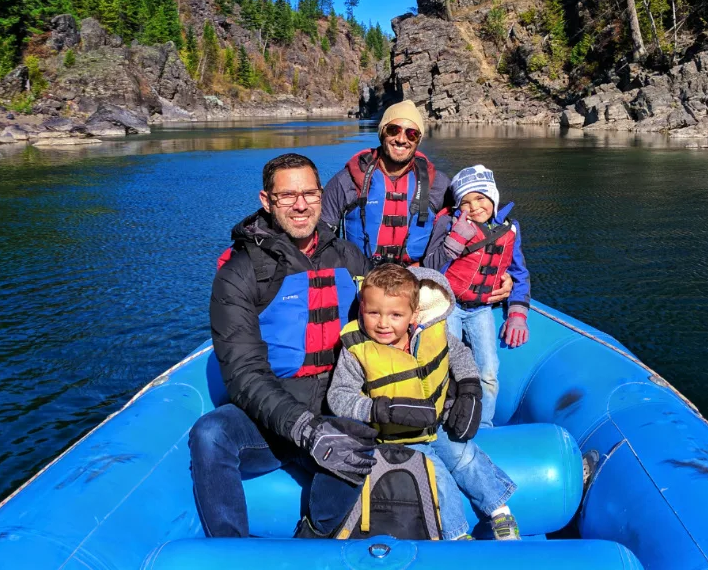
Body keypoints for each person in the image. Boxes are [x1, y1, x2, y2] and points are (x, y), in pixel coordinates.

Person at [188, 153, 378, 539]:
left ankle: (312, 541)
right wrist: (306, 429)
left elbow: (395, 309)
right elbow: (243, 373)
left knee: (357, 439)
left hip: (338, 404)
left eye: (309, 193)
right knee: (210, 434)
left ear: (321, 196)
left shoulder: (350, 257)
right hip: (270, 418)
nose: (300, 204)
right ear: (266, 201)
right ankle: (231, 552)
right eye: (287, 196)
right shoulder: (239, 272)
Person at [327, 264, 520, 541]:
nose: (383, 323)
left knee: (464, 456)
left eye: (395, 315)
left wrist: (469, 388)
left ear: (413, 314)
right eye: (373, 313)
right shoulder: (356, 350)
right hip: (398, 439)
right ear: (361, 311)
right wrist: (379, 409)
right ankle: (457, 537)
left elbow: (460, 355)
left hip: (436, 423)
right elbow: (339, 396)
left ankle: (500, 511)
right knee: (436, 477)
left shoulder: (431, 332)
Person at [424, 165, 531, 429]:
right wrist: (453, 243)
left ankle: (483, 425)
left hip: (481, 310)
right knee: (443, 364)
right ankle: (438, 419)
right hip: (447, 306)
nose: (474, 207)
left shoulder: (510, 230)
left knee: (489, 370)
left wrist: (518, 313)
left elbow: (519, 274)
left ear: (493, 198)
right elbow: (429, 267)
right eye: (466, 202)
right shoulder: (449, 225)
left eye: (481, 198)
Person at [321, 100, 449, 266]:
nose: (401, 139)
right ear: (382, 132)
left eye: (412, 134)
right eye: (393, 130)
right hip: (361, 274)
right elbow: (321, 234)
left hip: (416, 275)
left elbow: (469, 226)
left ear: (418, 140)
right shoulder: (348, 179)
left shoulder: (438, 183)